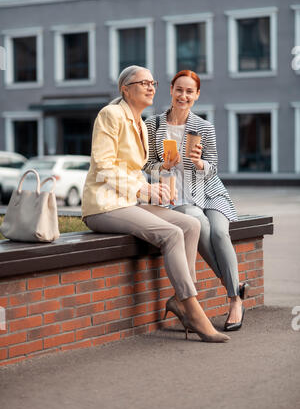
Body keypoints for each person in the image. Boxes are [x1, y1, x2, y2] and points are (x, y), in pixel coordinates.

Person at [81, 65, 230, 343]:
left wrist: (158, 182)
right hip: (104, 206)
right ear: (126, 89)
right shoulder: (111, 115)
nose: (151, 87)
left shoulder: (140, 121)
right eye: (143, 82)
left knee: (190, 223)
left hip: (128, 201)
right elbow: (103, 166)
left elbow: (139, 170)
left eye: (153, 83)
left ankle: (179, 300)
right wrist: (144, 189)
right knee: (171, 233)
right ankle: (193, 309)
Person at [144, 69, 249, 332]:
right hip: (177, 195)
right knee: (200, 225)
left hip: (210, 192)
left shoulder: (204, 127)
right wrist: (163, 165)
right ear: (171, 89)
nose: (183, 95)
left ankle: (235, 299)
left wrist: (200, 163)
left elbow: (214, 168)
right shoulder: (153, 124)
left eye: (189, 91)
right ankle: (235, 295)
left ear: (197, 95)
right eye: (179, 89)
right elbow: (145, 165)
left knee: (220, 235)